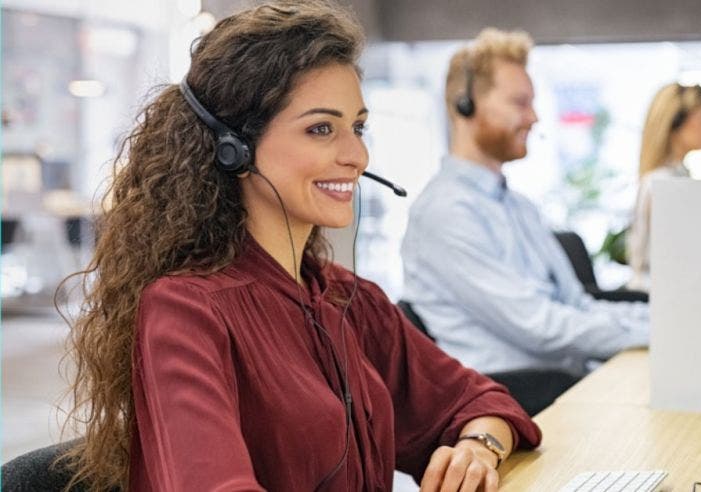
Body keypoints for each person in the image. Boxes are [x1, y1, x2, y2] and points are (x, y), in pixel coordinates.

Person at [58, 3, 540, 491]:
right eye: (320, 129)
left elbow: (483, 402)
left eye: (357, 127)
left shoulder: (350, 299)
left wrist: (480, 449)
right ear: (235, 148)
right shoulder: (186, 312)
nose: (356, 156)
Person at [400, 28, 649, 411]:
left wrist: (663, 320)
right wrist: (659, 332)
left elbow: (577, 305)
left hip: (567, 390)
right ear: (464, 105)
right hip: (514, 403)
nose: (533, 117)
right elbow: (541, 328)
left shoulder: (519, 207)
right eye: (520, 102)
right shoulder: (445, 213)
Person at [627, 82, 701, 292]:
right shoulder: (663, 184)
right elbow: (682, 254)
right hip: (654, 295)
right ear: (676, 125)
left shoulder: (677, 178)